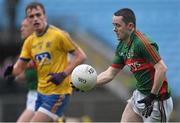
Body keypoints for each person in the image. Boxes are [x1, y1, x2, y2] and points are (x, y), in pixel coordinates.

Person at [4, 2, 86, 122]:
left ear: (45, 16)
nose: (35, 18)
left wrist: (63, 74)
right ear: (28, 20)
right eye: (31, 17)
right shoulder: (29, 42)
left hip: (58, 93)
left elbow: (81, 56)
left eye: (38, 15)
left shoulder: (58, 35)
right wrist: (9, 70)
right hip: (40, 94)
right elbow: (19, 69)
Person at [96, 8, 173, 122]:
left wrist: (151, 96)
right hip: (139, 96)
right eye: (114, 25)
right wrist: (89, 83)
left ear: (130, 26)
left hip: (156, 100)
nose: (114, 29)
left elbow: (161, 68)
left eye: (118, 25)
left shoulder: (142, 43)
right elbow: (110, 73)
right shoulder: (122, 46)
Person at [16, 18, 38, 122]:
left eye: (25, 26)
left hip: (41, 95)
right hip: (32, 94)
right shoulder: (27, 47)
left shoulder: (38, 47)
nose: (21, 29)